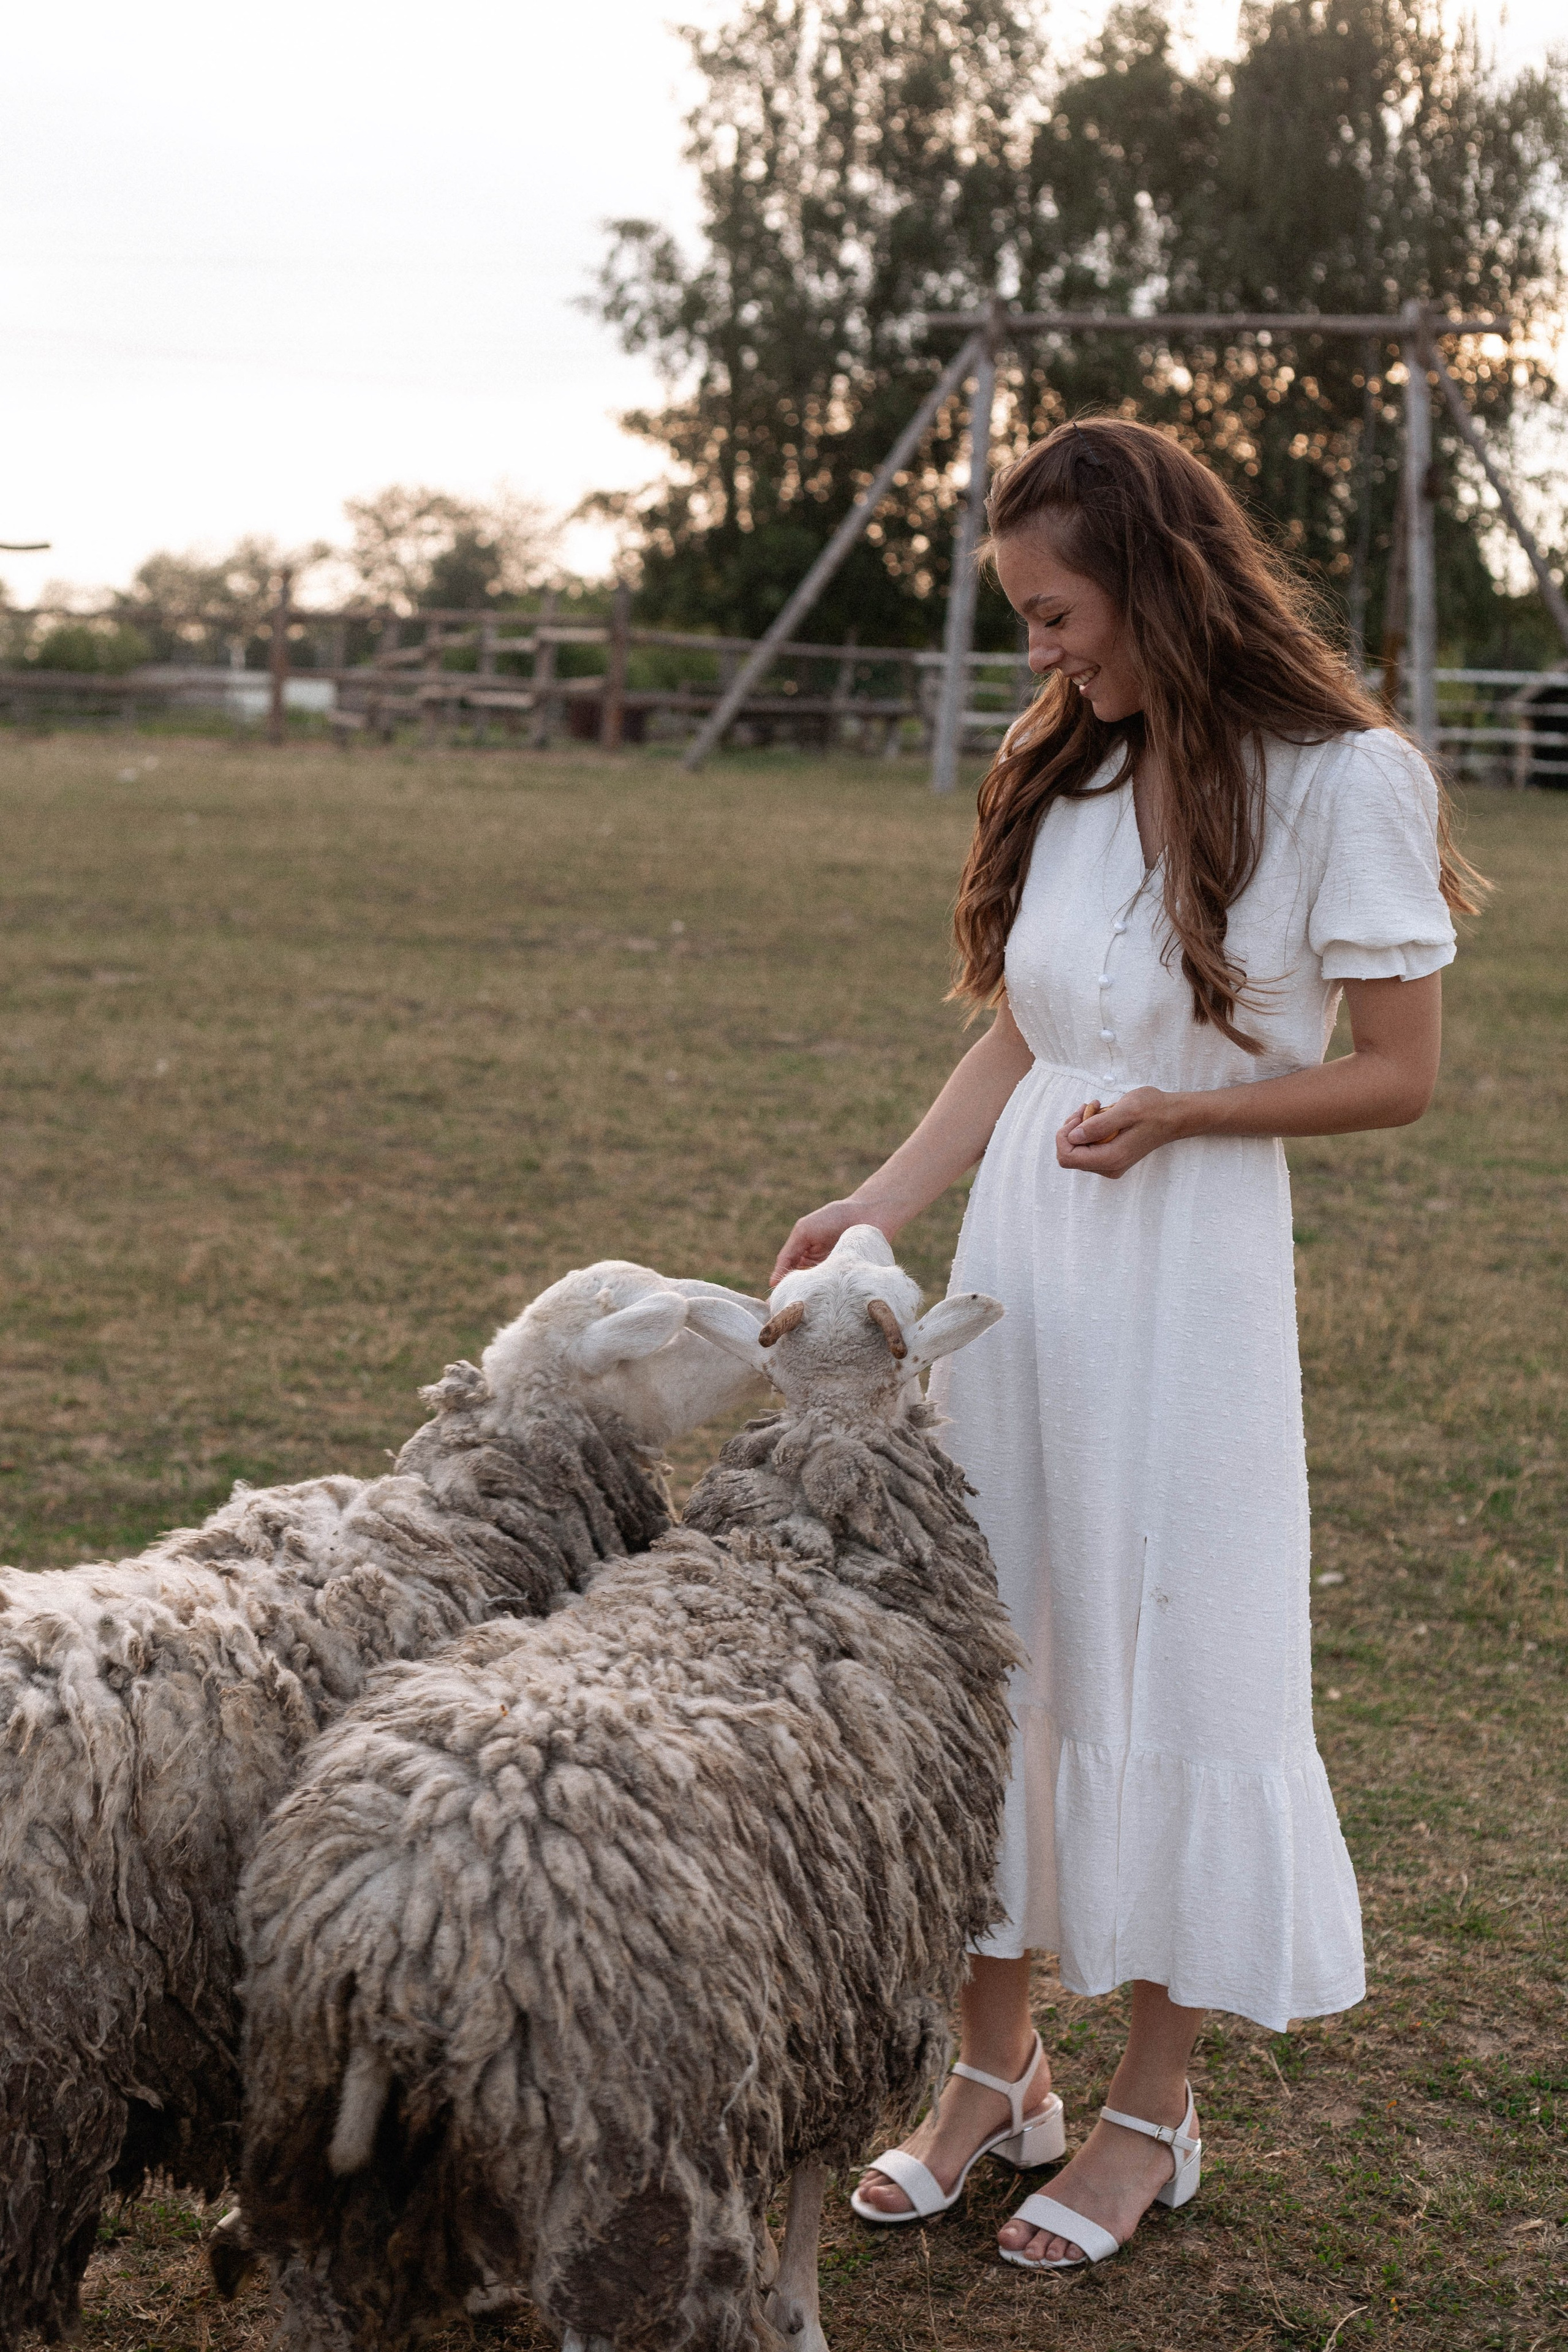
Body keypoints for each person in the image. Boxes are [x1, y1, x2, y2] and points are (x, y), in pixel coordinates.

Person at [771, 418, 1482, 2272]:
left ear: (1159, 576)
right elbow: (1020, 1037)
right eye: (1020, 620)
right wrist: (878, 1207)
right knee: (1006, 1636)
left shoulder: (1348, 779)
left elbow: (1398, 1077)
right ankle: (994, 2074)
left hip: (1191, 1273)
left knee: (1172, 1650)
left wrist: (1183, 1117)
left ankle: (1154, 2110)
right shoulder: (1067, 760)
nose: (1040, 653)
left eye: (1056, 611)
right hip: (1030, 1253)